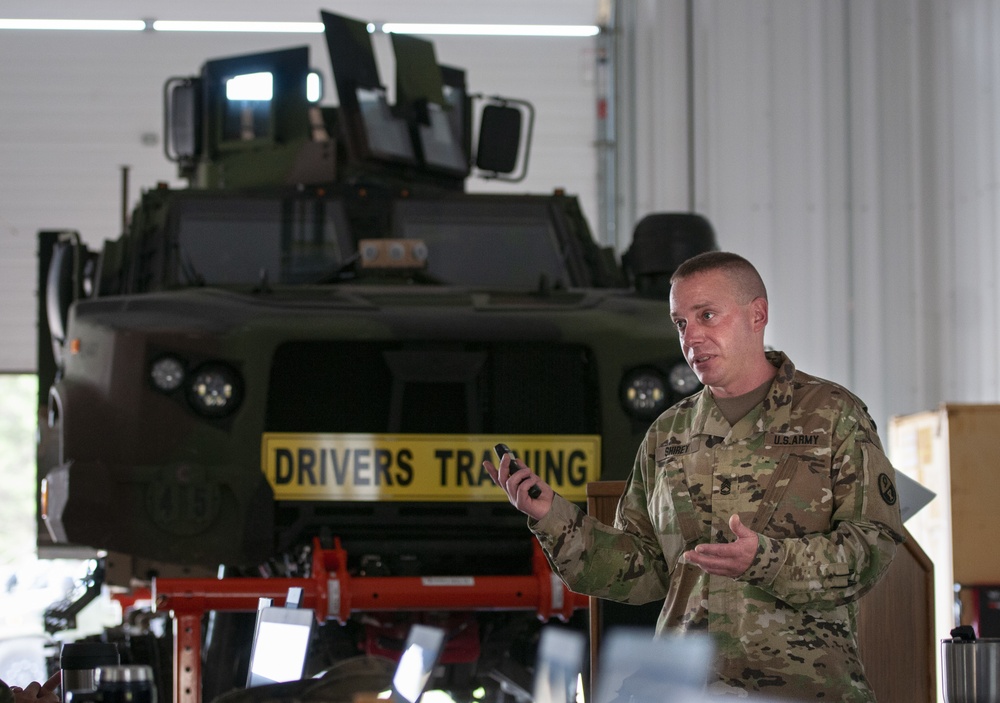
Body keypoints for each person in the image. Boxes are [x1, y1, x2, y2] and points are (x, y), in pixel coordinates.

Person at [484, 251, 905, 701]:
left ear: (757, 315)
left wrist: (766, 561)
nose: (692, 338)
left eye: (707, 315)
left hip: (804, 689)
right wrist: (552, 516)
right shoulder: (667, 435)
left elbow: (872, 545)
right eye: (681, 323)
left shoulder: (831, 415)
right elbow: (642, 570)